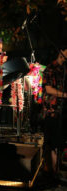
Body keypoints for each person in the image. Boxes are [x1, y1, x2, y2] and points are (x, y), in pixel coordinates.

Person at [42, 47, 67, 179]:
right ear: (61, 51)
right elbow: (48, 89)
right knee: (51, 142)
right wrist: (64, 95)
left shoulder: (64, 69)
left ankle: (57, 169)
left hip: (62, 110)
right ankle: (51, 171)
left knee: (60, 141)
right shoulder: (50, 68)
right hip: (51, 110)